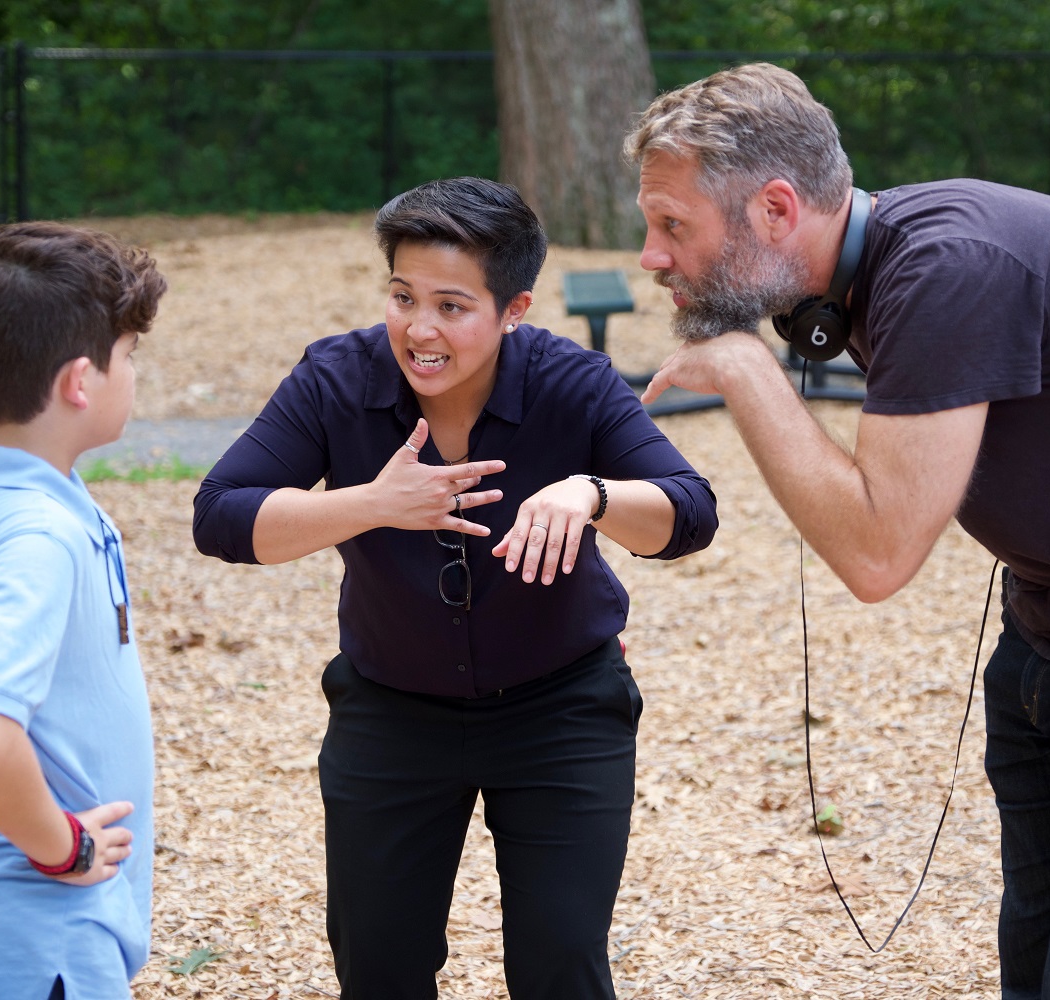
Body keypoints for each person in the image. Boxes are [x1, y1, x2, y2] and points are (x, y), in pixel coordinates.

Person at [628, 63, 1050, 999]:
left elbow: (878, 552)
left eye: (672, 225)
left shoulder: (946, 267)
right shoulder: (871, 270)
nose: (653, 255)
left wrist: (748, 374)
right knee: (1038, 930)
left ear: (777, 209)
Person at [191, 176, 717, 999]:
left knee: (561, 965)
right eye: (402, 297)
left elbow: (691, 511)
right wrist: (370, 505)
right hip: (390, 710)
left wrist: (592, 494)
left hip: (562, 709)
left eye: (451, 306)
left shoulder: (570, 381)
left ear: (514, 309)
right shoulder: (336, 378)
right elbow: (220, 516)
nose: (418, 328)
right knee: (380, 966)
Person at [0, 222, 166, 1000]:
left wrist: (21, 710)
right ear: (81, 382)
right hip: (30, 931)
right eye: (130, 354)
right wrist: (63, 849)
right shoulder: (39, 533)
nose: (134, 372)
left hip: (2, 921)